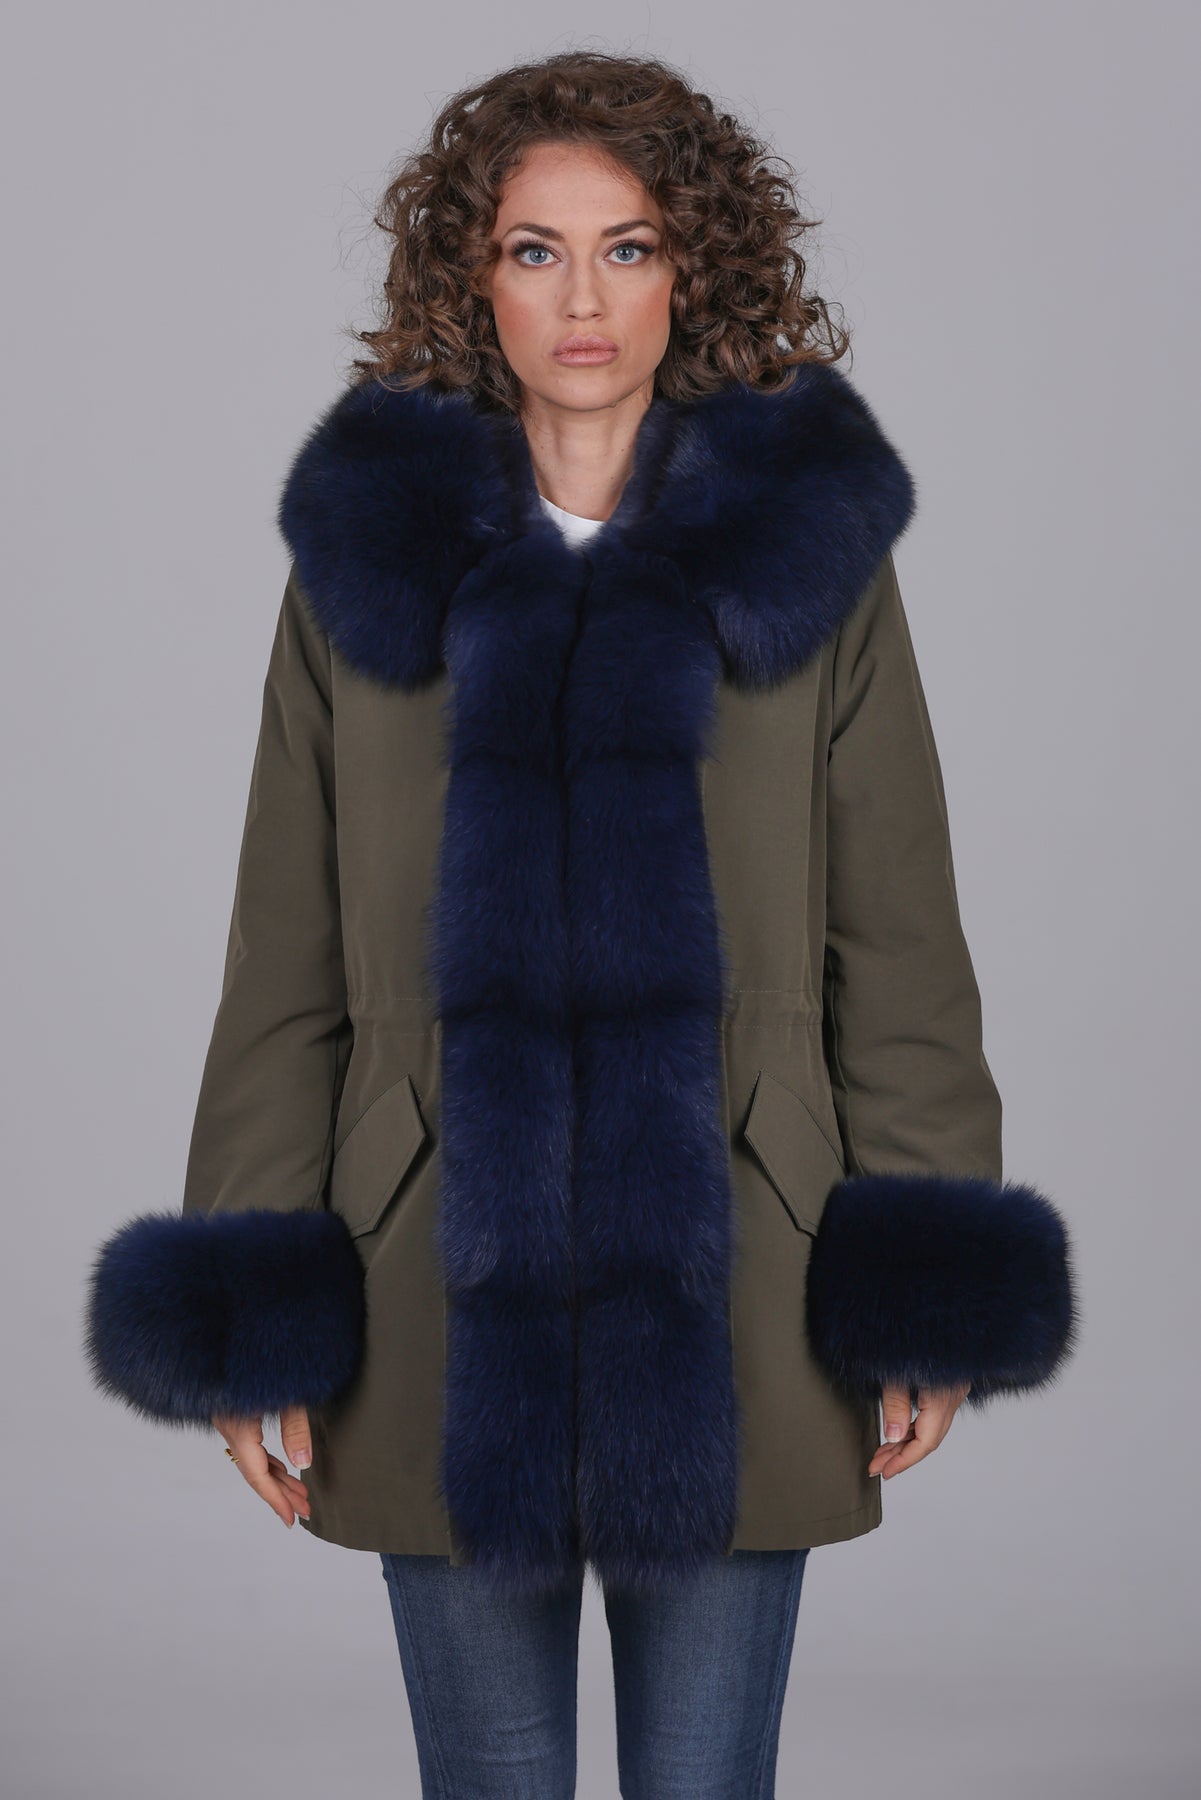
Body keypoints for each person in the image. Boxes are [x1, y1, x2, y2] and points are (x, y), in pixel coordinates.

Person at [84, 49, 1077, 1799]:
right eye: (533, 251)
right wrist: (250, 1303)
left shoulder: (809, 560)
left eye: (628, 246)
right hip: (432, 1272)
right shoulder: (364, 568)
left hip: (741, 1274)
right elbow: (284, 962)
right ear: (470, 278)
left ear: (695, 266)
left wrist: (924, 1280)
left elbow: (899, 944)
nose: (584, 299)